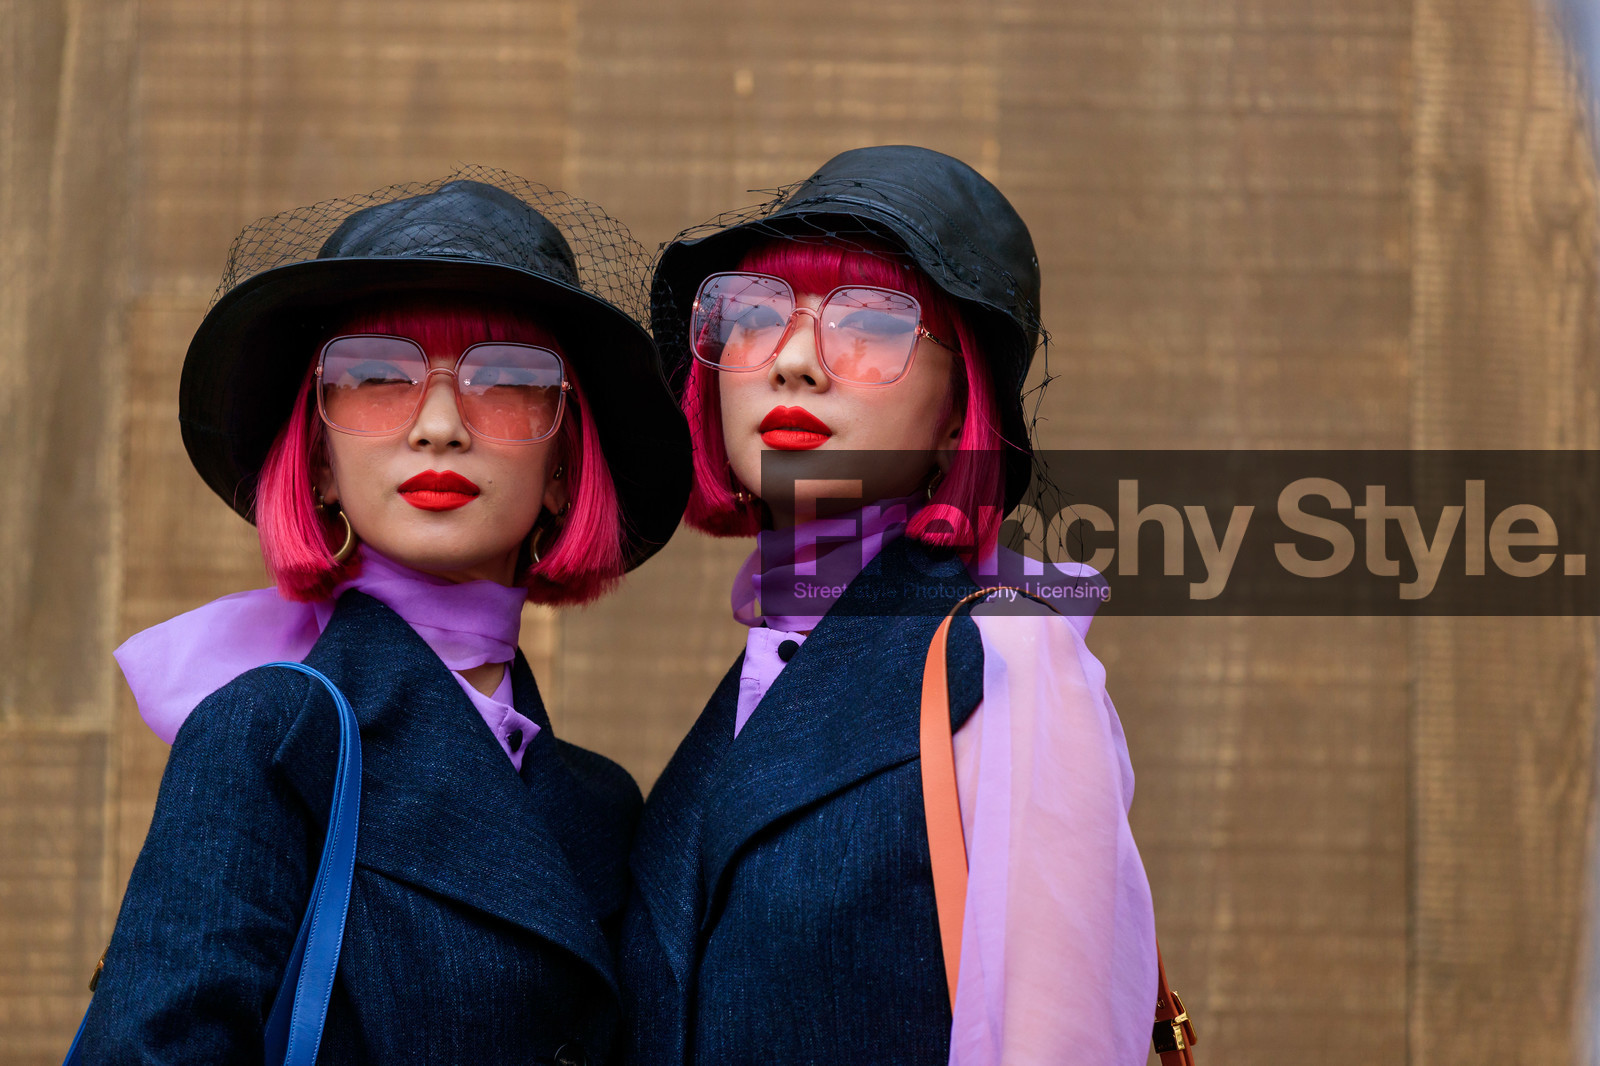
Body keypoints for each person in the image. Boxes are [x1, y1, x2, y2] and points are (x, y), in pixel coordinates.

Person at [77, 170, 689, 1065]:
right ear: (319, 463)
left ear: (564, 468)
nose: (440, 424)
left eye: (509, 378)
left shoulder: (601, 805)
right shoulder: (269, 733)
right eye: (374, 373)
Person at [621, 145, 1158, 1065]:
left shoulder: (1009, 655)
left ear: (961, 408)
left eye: (870, 325)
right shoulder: (763, 671)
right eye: (753, 316)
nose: (793, 360)